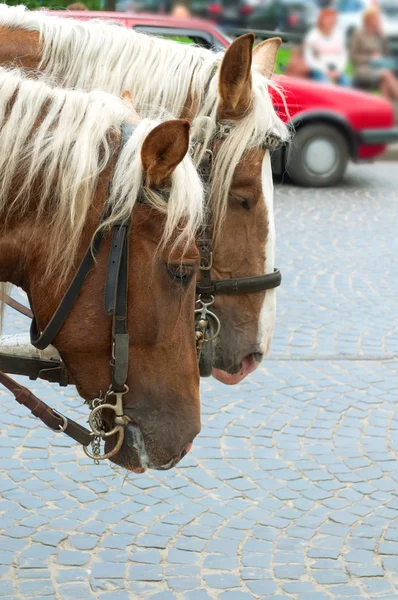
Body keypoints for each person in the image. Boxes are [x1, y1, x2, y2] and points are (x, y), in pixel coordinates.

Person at [350, 7, 398, 99]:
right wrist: (370, 58)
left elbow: (386, 54)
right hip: (364, 68)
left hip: (380, 67)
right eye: (376, 18)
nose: (378, 21)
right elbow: (353, 56)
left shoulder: (378, 34)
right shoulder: (358, 34)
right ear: (368, 19)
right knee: (386, 74)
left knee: (384, 82)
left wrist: (383, 37)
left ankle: (385, 108)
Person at [304, 8, 349, 86]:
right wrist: (325, 71)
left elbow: (343, 55)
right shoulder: (313, 35)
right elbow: (309, 58)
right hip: (319, 69)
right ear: (321, 20)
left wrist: (338, 70)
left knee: (346, 84)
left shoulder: (339, 34)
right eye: (328, 19)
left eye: (333, 19)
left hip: (336, 69)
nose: (330, 21)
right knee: (325, 86)